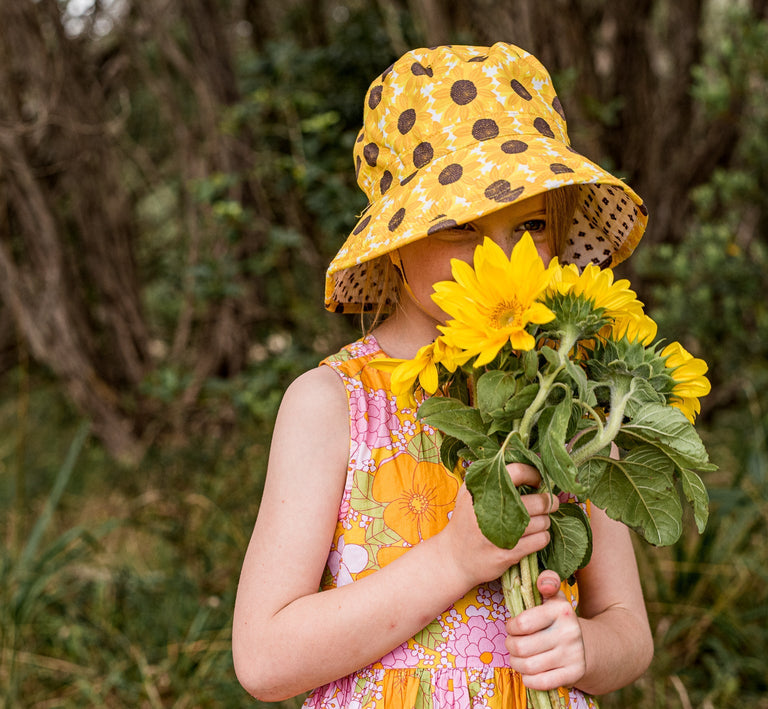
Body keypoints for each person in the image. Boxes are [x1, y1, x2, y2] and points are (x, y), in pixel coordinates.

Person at [232, 42, 654, 708]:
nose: (500, 253)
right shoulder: (333, 405)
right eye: (458, 225)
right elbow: (263, 658)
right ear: (396, 240)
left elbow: (629, 629)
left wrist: (584, 648)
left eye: (533, 223)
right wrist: (453, 559)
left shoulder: (567, 397)